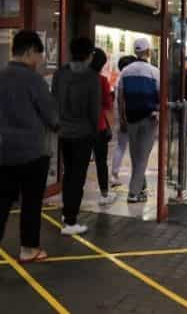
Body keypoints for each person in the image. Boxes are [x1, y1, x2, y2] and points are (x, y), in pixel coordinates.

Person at [0, 31, 59, 277]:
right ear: (28, 52)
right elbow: (52, 117)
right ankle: (28, 249)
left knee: (0, 199)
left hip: (0, 150)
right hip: (32, 152)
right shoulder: (33, 80)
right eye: (38, 54)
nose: (39, 59)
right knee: (31, 201)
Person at [52, 37, 101, 235]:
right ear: (89, 55)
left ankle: (67, 212)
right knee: (77, 176)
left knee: (68, 172)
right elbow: (94, 110)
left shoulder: (60, 74)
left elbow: (53, 100)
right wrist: (94, 132)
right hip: (83, 133)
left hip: (63, 131)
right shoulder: (92, 77)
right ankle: (71, 221)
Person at [118, 38, 160, 203]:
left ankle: (141, 188)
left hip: (131, 118)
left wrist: (122, 118)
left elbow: (120, 98)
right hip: (149, 118)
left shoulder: (125, 71)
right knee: (142, 157)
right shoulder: (154, 72)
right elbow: (160, 97)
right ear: (148, 52)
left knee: (136, 155)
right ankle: (133, 192)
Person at [90, 48, 119, 205]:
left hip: (80, 128)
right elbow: (108, 104)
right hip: (98, 126)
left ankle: (73, 197)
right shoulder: (101, 80)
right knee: (101, 161)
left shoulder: (78, 78)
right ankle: (104, 193)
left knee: (78, 164)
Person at [110, 55, 138, 186]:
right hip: (127, 116)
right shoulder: (127, 78)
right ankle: (133, 176)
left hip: (121, 115)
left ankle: (114, 174)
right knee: (130, 146)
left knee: (121, 146)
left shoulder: (119, 78)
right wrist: (123, 119)